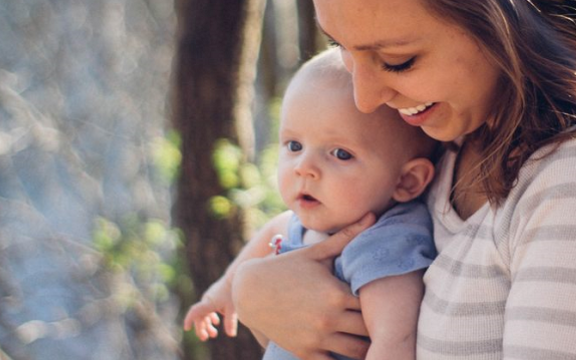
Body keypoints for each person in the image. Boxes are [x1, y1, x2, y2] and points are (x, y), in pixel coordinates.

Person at [229, 0, 576, 359]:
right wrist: (255, 293)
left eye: (397, 60)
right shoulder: (456, 132)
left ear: (511, 22)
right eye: (342, 48)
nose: (365, 98)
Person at [183, 50, 439, 360]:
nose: (304, 167)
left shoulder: (384, 242)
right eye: (294, 145)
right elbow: (272, 230)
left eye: (340, 154)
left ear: (406, 182)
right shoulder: (302, 223)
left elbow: (394, 342)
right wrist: (221, 293)